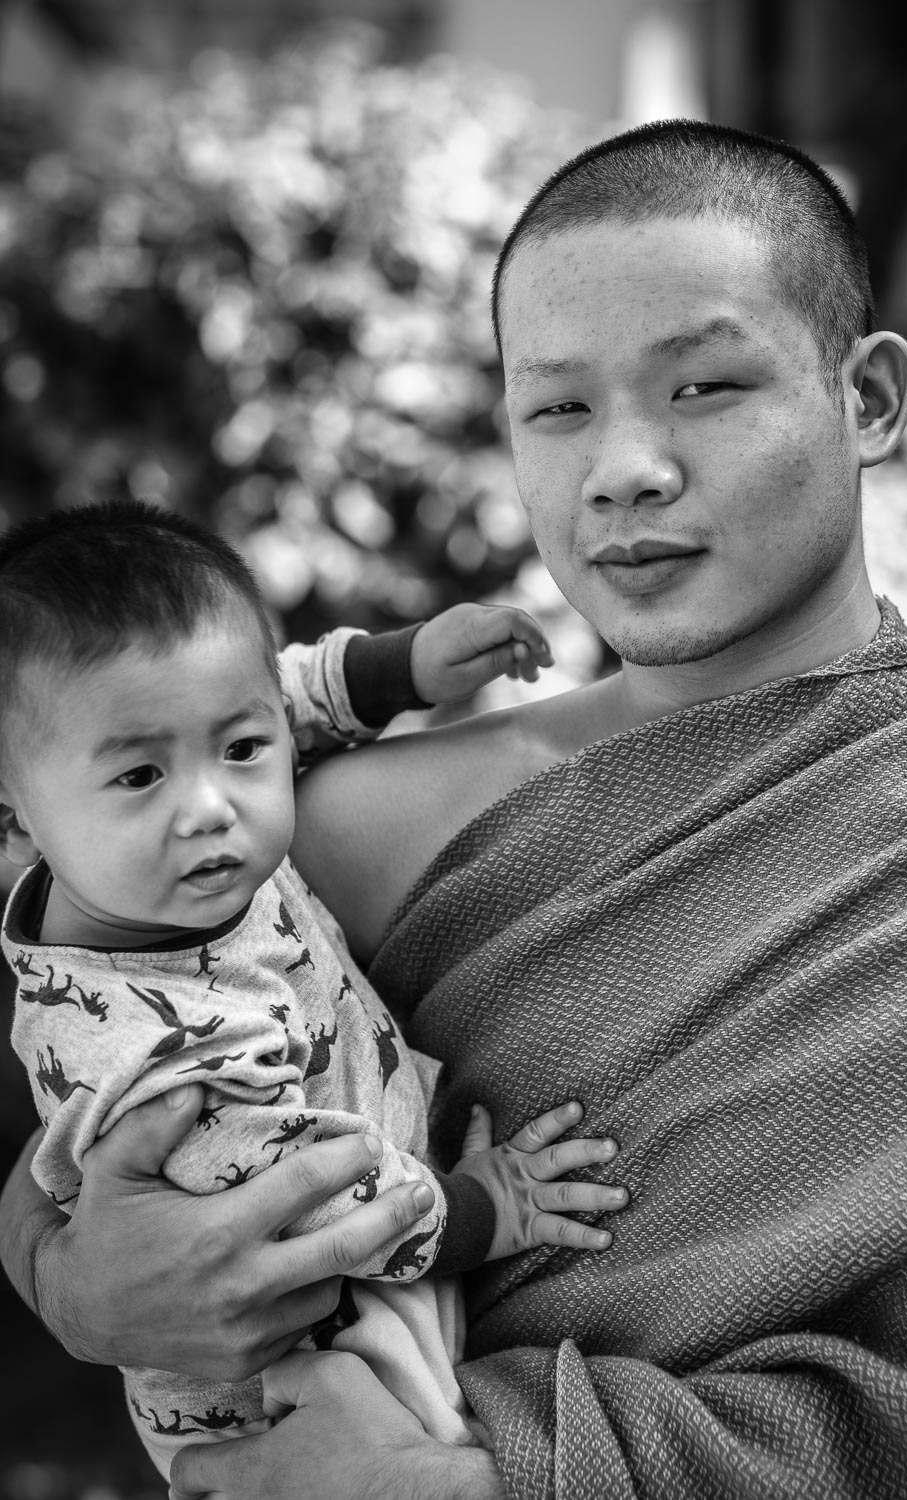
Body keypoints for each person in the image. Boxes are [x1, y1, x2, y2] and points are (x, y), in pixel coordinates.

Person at [3, 118, 907, 1500]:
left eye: (703, 385)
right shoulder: (341, 825)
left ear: (868, 400)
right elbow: (80, 1086)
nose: (623, 467)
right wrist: (64, 1275)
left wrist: (463, 1484)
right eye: (558, 407)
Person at [0, 501, 626, 1483]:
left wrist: (400, 668)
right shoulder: (158, 1062)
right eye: (138, 777)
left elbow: (271, 696)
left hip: (322, 1226)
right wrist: (487, 1208)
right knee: (419, 1451)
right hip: (289, 1352)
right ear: (15, 821)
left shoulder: (146, 866)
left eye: (239, 753)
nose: (210, 806)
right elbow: (331, 1208)